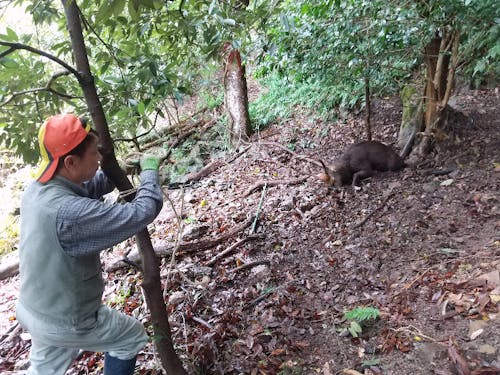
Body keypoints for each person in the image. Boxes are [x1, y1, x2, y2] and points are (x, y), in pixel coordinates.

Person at [16, 114, 163, 375]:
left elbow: (80, 193)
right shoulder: (69, 214)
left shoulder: (37, 190)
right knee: (129, 337)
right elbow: (141, 213)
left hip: (35, 310)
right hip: (67, 320)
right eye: (95, 154)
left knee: (44, 371)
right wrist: (150, 170)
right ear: (71, 162)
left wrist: (115, 172)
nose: (99, 159)